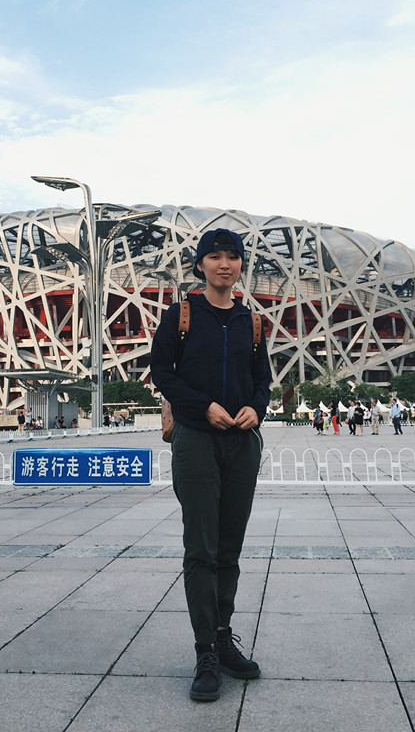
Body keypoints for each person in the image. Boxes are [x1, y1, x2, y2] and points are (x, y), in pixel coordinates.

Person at [150, 228, 271, 703]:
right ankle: (204, 651)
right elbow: (162, 373)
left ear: (241, 265)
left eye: (232, 256)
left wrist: (257, 408)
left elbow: (262, 380)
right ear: (199, 265)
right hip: (197, 440)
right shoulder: (180, 315)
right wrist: (202, 408)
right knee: (201, 547)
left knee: (229, 548)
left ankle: (224, 639)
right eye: (215, 256)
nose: (225, 264)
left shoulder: (251, 322)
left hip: (241, 443)